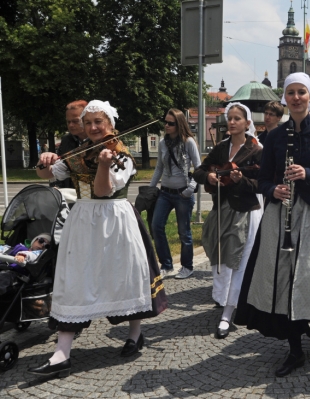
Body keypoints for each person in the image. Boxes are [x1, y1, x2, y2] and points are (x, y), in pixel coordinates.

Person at [31, 100, 166, 378]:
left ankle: (134, 333)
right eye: (88, 122)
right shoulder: (78, 151)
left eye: (98, 122)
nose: (92, 127)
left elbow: (103, 191)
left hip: (115, 219)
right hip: (82, 220)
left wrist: (104, 165)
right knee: (74, 279)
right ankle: (62, 353)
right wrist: (44, 159)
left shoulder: (122, 156)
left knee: (124, 275)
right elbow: (47, 174)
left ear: (110, 125)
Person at [235, 72, 310, 377]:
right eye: (291, 93)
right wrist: (273, 189)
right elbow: (264, 179)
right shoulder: (275, 136)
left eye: (301, 92)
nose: (296, 98)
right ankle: (295, 348)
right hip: (279, 214)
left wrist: (308, 174)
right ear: (285, 98)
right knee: (282, 280)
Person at [193, 102, 263, 339]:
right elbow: (199, 171)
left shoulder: (255, 149)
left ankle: (228, 312)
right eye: (229, 118)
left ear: (247, 123)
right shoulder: (222, 148)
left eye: (237, 119)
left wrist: (241, 180)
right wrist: (210, 177)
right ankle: (226, 301)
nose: (231, 122)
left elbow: (261, 184)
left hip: (245, 211)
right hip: (221, 210)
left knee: (238, 262)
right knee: (218, 255)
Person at [149, 108, 201, 279]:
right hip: (165, 192)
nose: (166, 125)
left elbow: (199, 169)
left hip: (182, 194)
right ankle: (166, 265)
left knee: (183, 232)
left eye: (171, 123)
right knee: (156, 226)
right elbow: (159, 168)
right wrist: (151, 188)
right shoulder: (163, 143)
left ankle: (187, 266)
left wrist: (190, 188)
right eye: (165, 122)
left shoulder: (188, 142)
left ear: (179, 125)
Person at [52, 100, 89, 189]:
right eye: (68, 122)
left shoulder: (97, 140)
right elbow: (62, 166)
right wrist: (57, 186)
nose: (71, 125)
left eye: (75, 121)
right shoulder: (66, 139)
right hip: (71, 192)